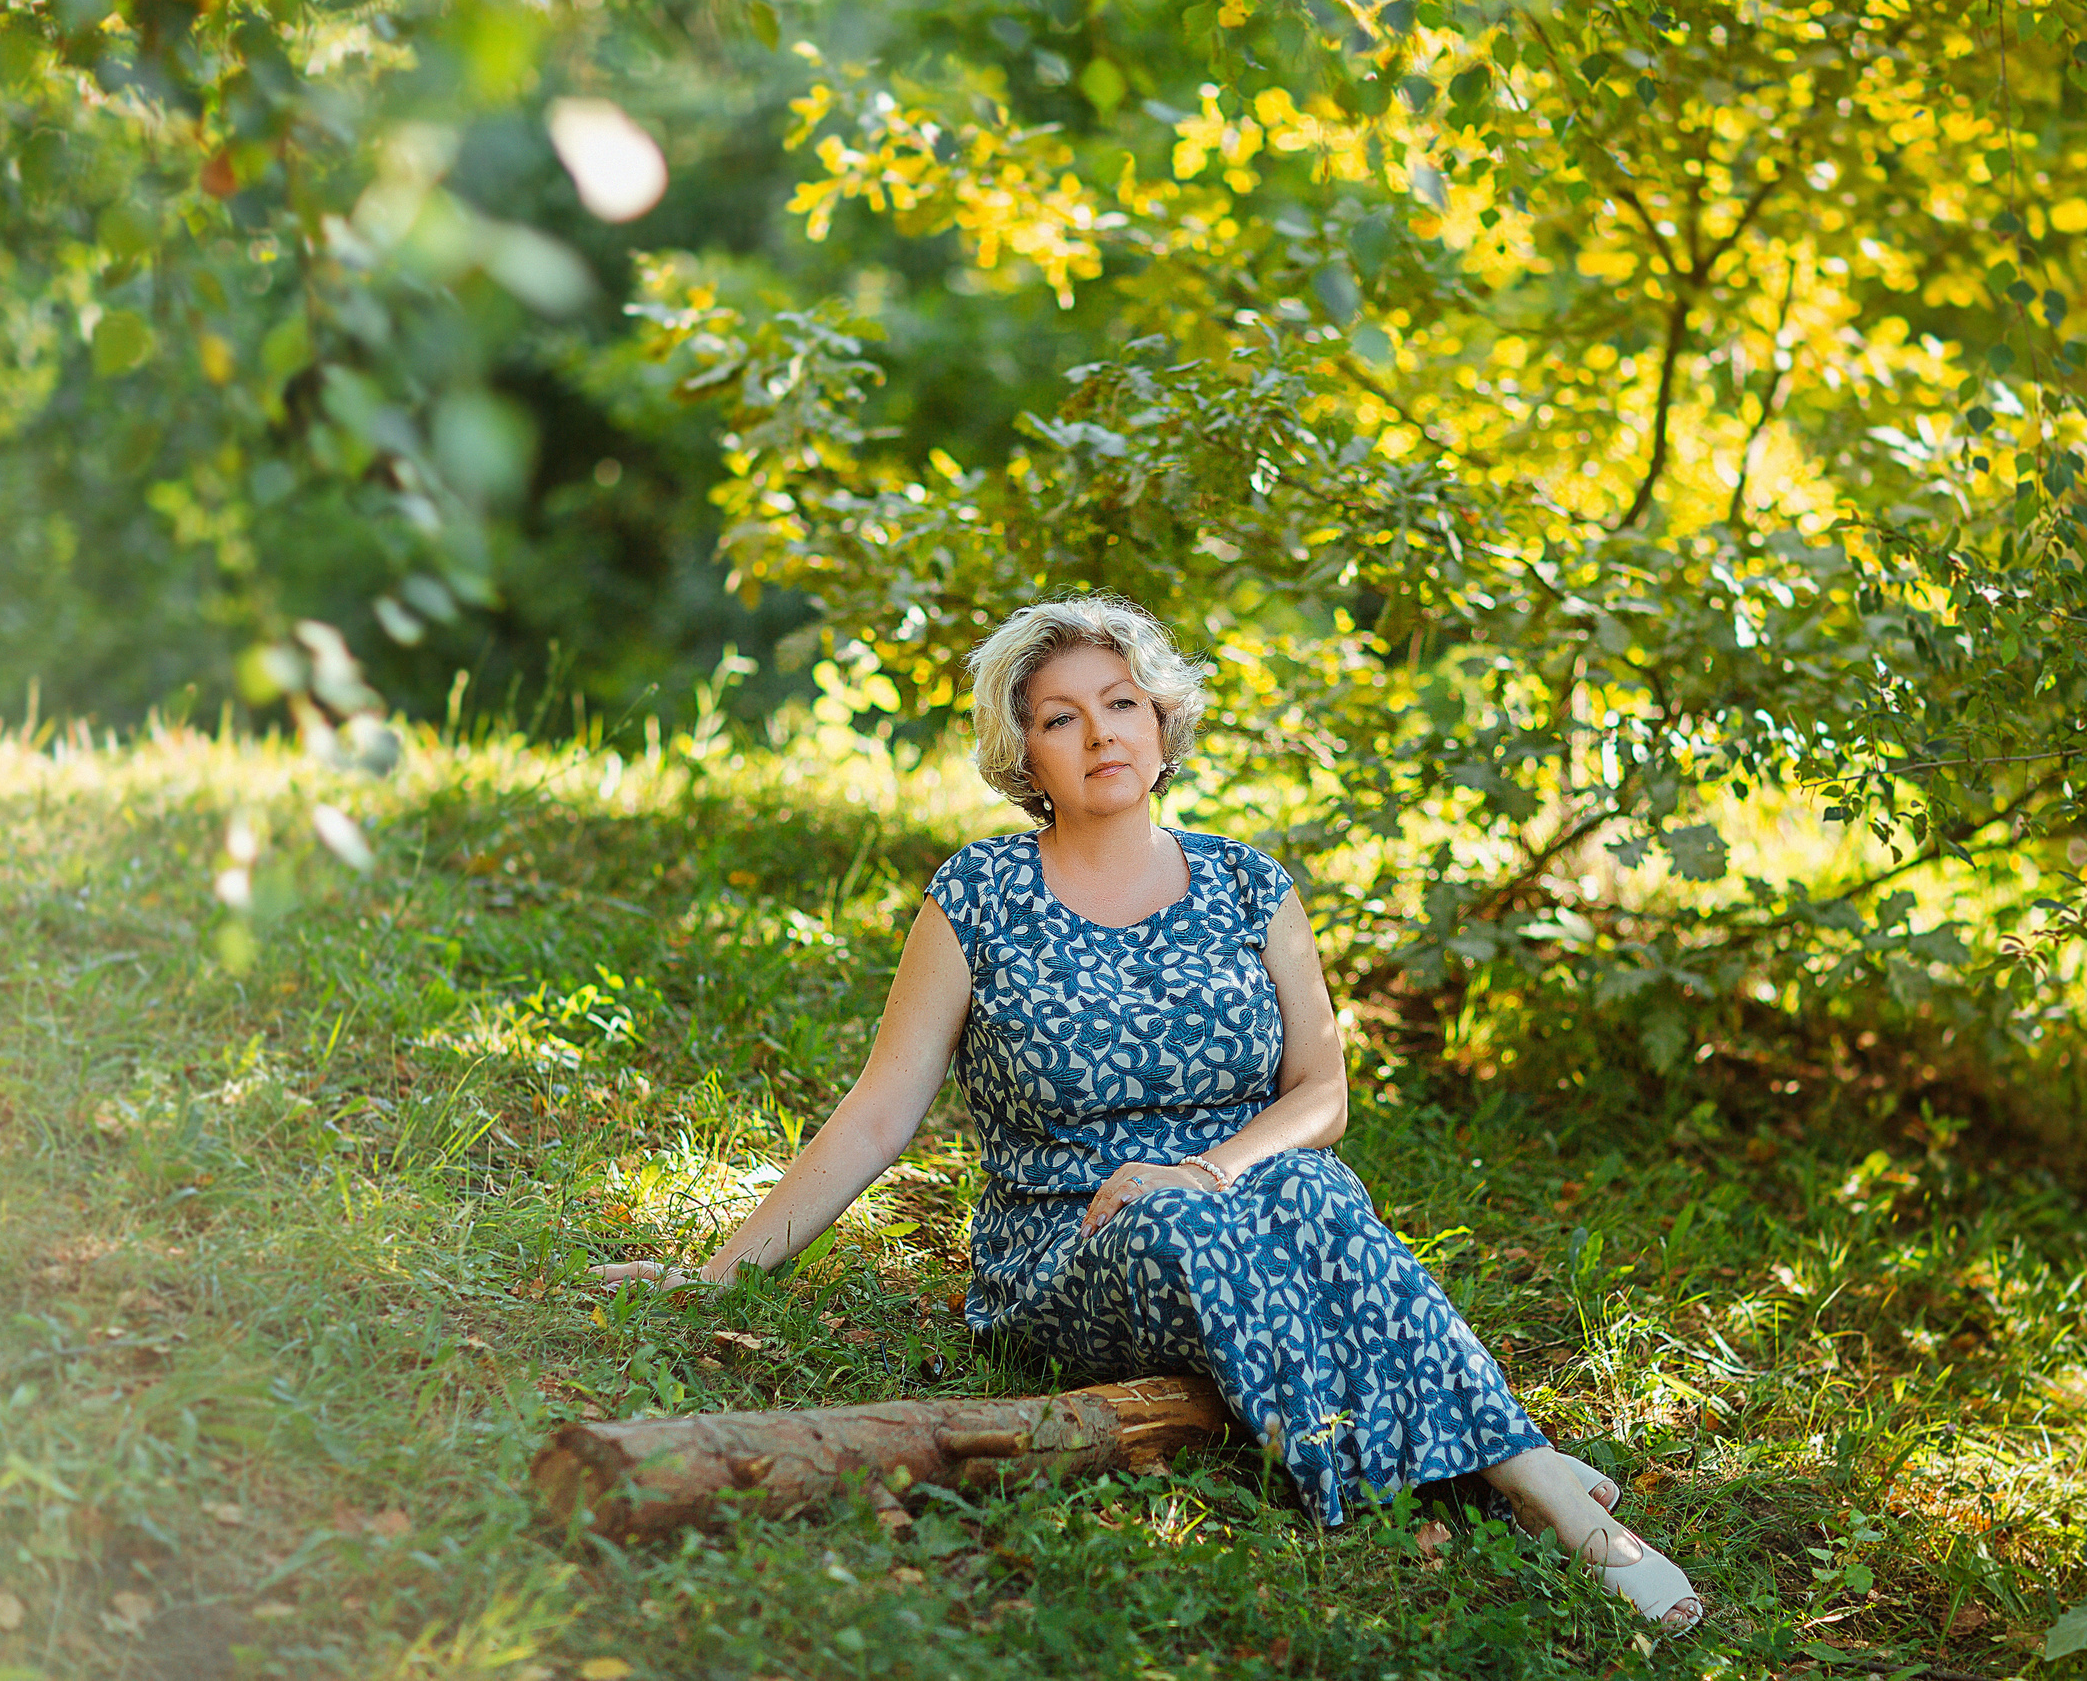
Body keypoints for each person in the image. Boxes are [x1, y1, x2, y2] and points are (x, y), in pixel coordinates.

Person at [594, 594, 1702, 1630]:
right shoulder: (976, 897)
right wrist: (718, 1274)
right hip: (1067, 1256)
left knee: (1307, 1179)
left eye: (1120, 704)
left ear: (1164, 724)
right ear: (1024, 758)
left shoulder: (1251, 888)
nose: (1098, 734)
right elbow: (879, 1114)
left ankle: (1531, 1483)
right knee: (1179, 1220)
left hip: (1244, 1197)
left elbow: (1321, 1095)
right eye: (1059, 718)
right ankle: (1530, 1478)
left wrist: (1208, 1168)